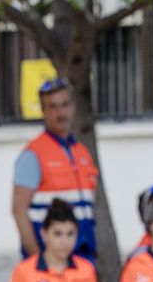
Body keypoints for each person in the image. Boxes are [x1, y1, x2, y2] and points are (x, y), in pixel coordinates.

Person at [11, 78, 99, 263]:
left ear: (73, 107)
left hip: (83, 258)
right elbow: (19, 210)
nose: (61, 113)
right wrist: (37, 261)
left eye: (65, 105)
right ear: (43, 111)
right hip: (49, 260)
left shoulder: (82, 152)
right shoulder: (33, 155)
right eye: (53, 107)